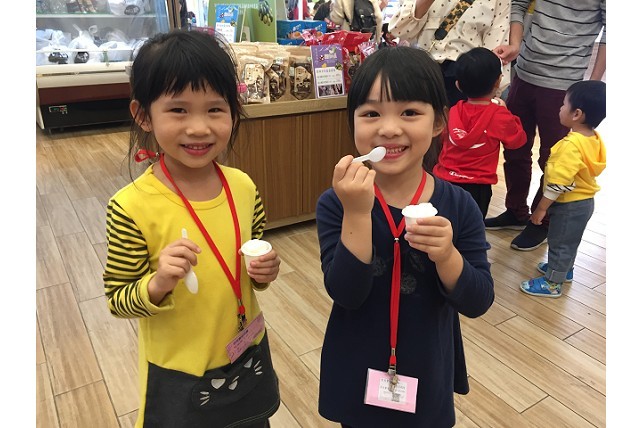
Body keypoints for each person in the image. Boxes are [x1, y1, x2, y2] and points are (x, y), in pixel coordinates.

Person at [102, 30, 281, 428]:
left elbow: (254, 264)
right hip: (179, 373)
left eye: (215, 109)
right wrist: (159, 282)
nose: (199, 128)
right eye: (179, 110)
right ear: (143, 115)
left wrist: (265, 270)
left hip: (246, 354)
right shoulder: (131, 207)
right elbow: (118, 299)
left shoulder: (243, 187)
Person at [315, 46, 494, 427]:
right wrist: (357, 213)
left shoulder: (459, 205)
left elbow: (478, 300)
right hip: (356, 367)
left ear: (438, 122)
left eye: (409, 112)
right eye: (371, 114)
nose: (389, 128)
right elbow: (346, 293)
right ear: (353, 122)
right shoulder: (337, 202)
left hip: (426, 370)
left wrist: (447, 255)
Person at [485, 0, 606, 251]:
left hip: (565, 82)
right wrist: (516, 45)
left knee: (554, 158)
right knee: (515, 149)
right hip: (524, 72)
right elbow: (519, 4)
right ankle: (516, 211)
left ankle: (543, 221)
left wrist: (592, 84)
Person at [521, 80, 606, 298]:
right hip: (584, 202)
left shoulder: (569, 146)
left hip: (569, 205)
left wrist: (541, 208)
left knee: (560, 243)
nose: (560, 108)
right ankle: (563, 270)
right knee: (569, 241)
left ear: (576, 114)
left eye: (563, 104)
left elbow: (558, 184)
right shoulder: (593, 138)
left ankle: (552, 283)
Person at [433, 47, 526, 218]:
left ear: (458, 85)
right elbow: (517, 141)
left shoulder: (452, 112)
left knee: (444, 224)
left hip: (444, 180)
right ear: (498, 82)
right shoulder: (500, 116)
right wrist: (507, 113)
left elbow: (442, 140)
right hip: (478, 186)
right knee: (472, 228)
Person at [387, 0, 510, 107]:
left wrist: (491, 95)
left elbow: (495, 51)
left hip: (467, 78)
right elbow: (399, 30)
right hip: (420, 70)